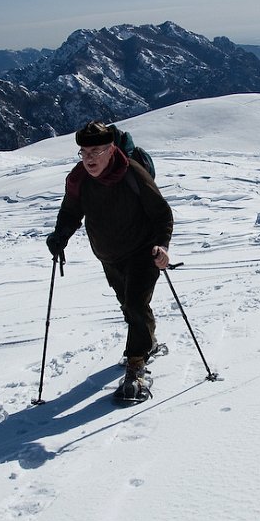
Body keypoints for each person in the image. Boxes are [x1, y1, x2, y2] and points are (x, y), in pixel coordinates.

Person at [46, 121, 173, 400]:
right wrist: (60, 236)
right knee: (128, 305)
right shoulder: (79, 178)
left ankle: (136, 365)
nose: (89, 158)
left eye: (96, 151)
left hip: (142, 250)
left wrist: (162, 247)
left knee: (136, 302)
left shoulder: (132, 173)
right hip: (108, 253)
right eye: (84, 152)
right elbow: (70, 212)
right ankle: (147, 341)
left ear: (111, 148)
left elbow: (162, 213)